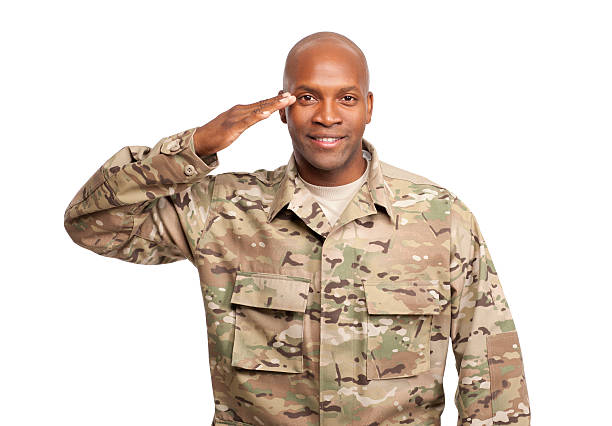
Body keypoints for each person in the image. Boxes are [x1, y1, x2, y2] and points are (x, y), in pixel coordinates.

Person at [64, 31, 530, 425]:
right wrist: (194, 146)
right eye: (307, 97)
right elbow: (92, 223)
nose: (327, 115)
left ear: (368, 107)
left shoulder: (440, 217)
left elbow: (490, 366)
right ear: (282, 109)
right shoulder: (221, 209)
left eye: (346, 98)